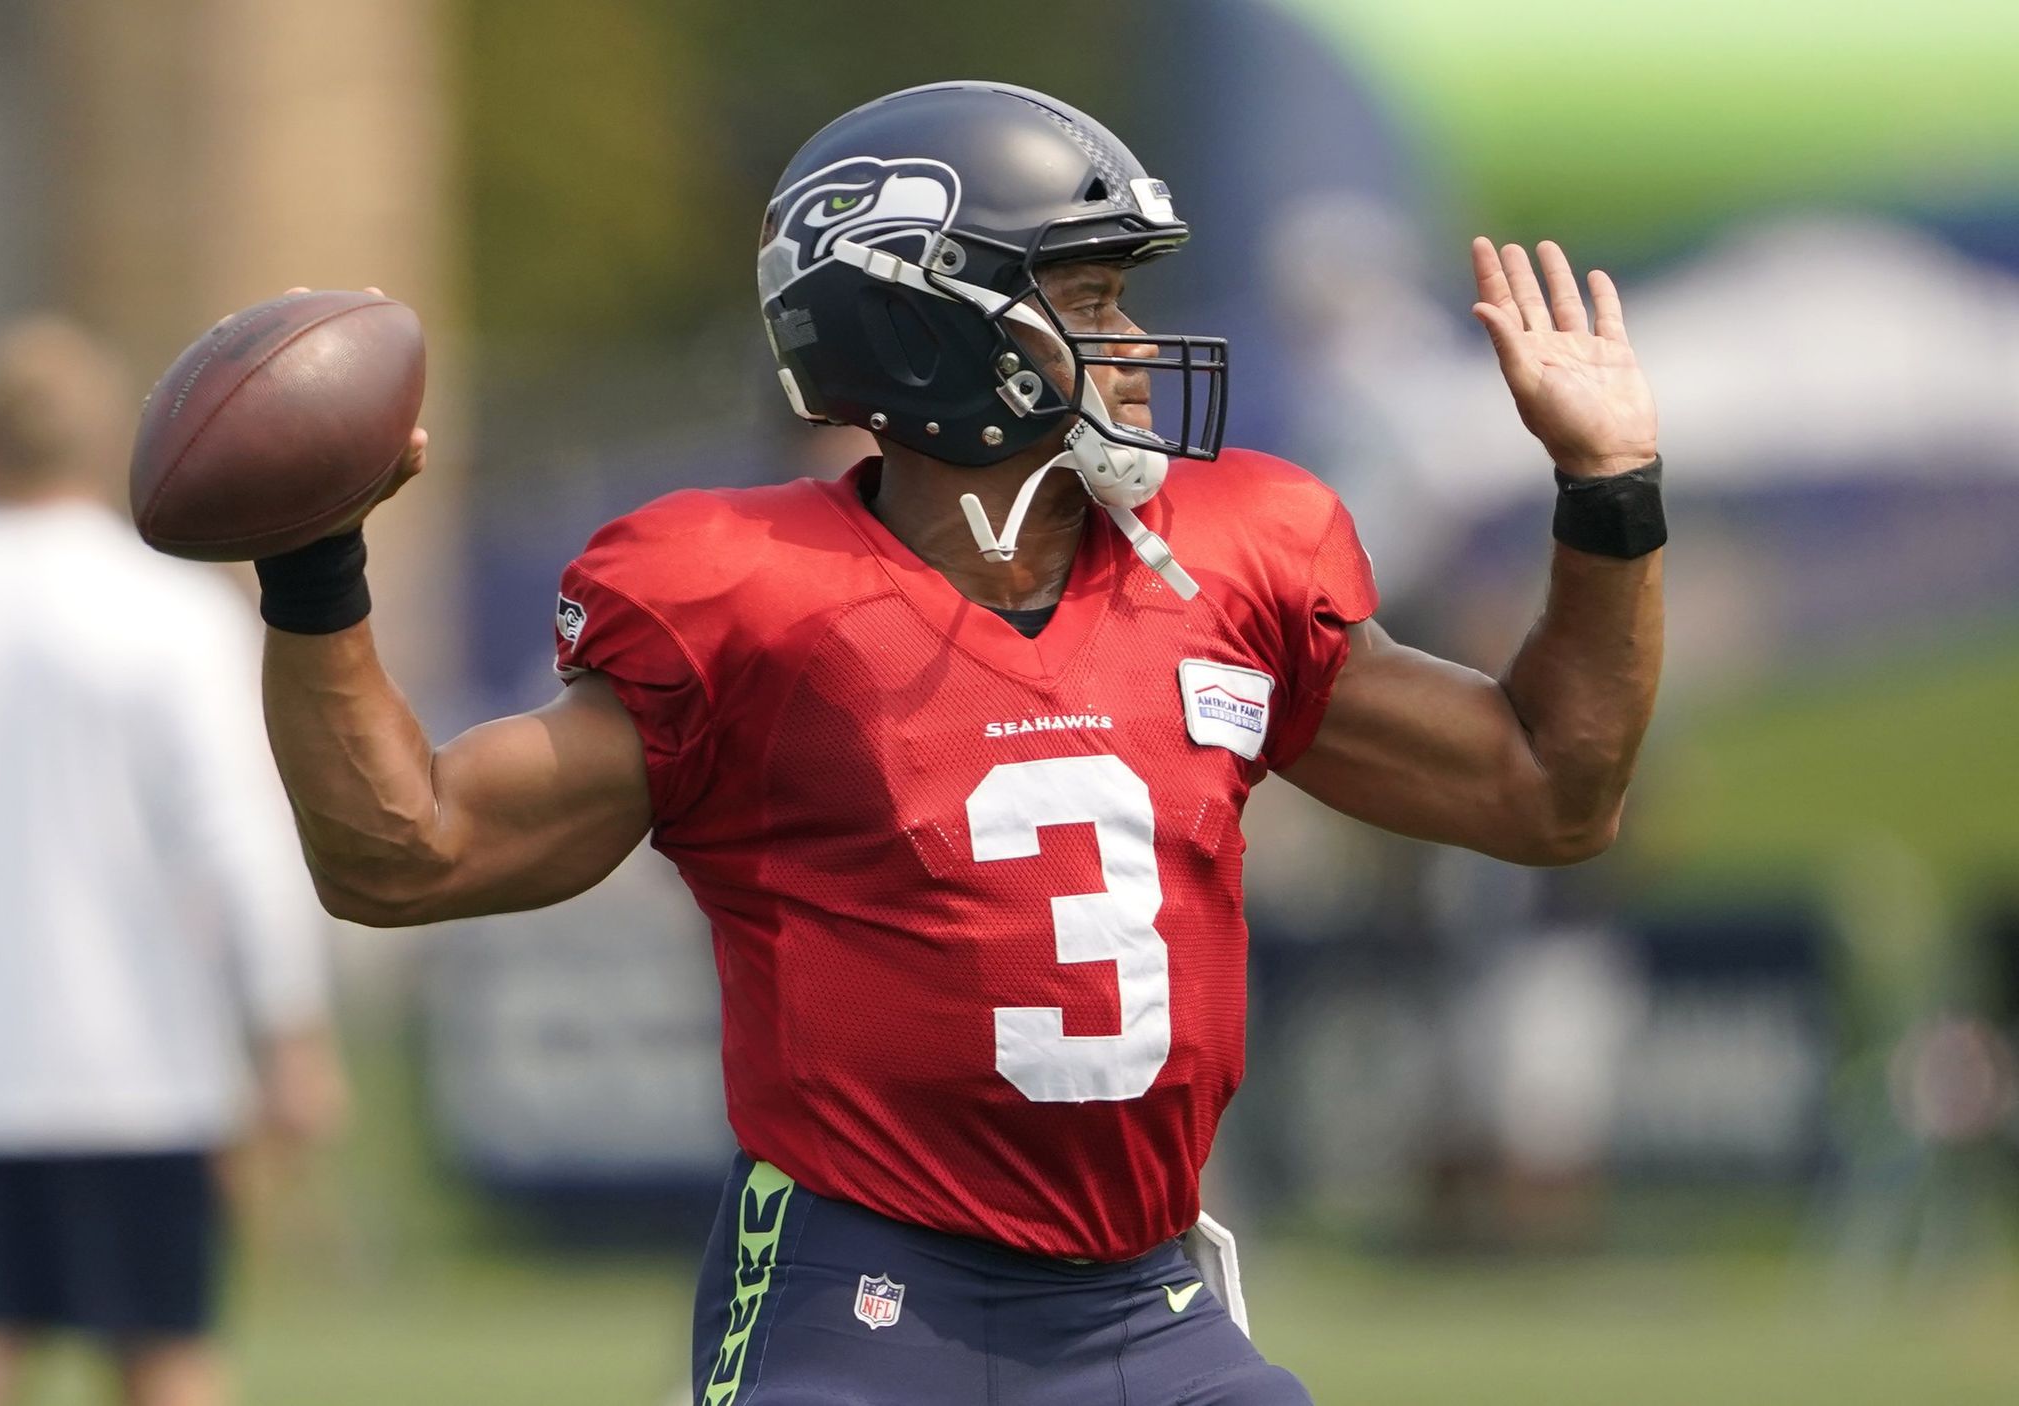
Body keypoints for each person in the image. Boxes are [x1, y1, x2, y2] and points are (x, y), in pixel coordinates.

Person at [251, 82, 1662, 1404]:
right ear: (929, 327)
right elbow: (404, 853)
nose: (1132, 349)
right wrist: (318, 571)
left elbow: (1549, 789)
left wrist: (1607, 493)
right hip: (867, 1297)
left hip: (1144, 1306)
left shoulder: (1235, 560)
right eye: (1089, 298)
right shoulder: (745, 595)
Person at [0, 318, 347, 1406]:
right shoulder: (173, 613)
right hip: (139, 1067)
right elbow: (235, 835)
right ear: (103, 447)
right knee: (164, 1350)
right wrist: (291, 1030)